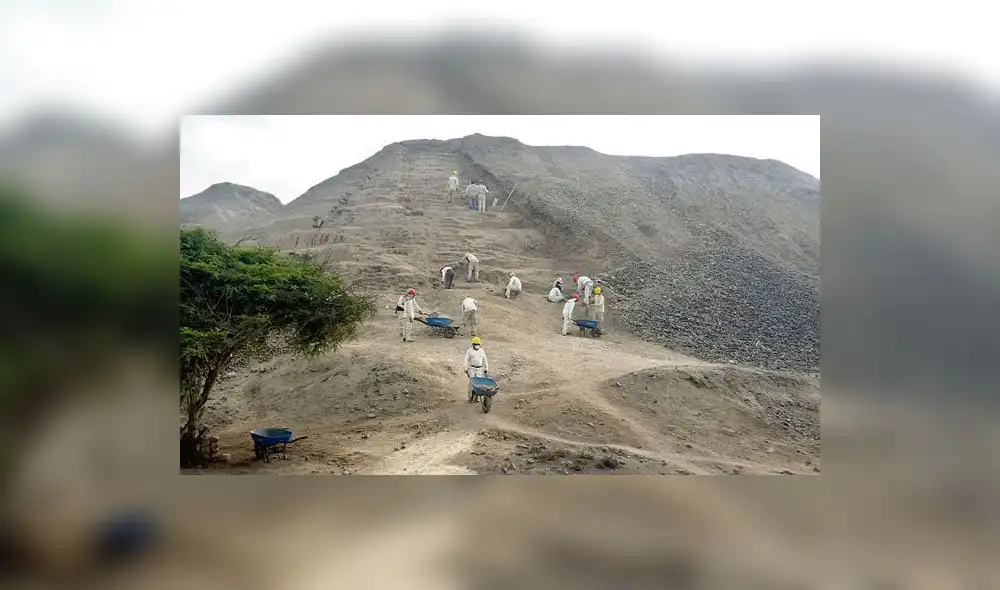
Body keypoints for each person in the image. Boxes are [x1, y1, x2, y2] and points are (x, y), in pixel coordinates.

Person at [464, 336, 489, 401]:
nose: (477, 345)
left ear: (480, 344)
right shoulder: (469, 351)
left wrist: (486, 368)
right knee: (472, 383)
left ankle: (477, 397)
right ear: (473, 344)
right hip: (472, 368)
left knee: (479, 384)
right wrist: (465, 368)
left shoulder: (482, 351)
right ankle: (470, 397)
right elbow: (466, 359)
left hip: (479, 369)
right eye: (475, 344)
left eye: (478, 344)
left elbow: (485, 359)